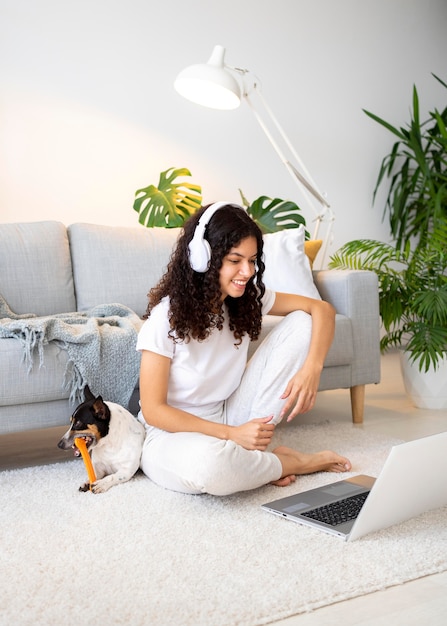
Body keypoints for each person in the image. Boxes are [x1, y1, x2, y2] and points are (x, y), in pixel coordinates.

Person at [136, 202, 351, 495]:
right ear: (205, 258)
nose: (247, 271)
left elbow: (321, 309)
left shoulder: (245, 298)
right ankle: (289, 463)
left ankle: (251, 462)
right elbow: (153, 411)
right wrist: (231, 435)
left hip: (230, 412)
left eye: (252, 260)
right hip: (170, 434)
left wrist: (312, 369)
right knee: (211, 470)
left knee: (303, 322)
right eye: (235, 260)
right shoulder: (166, 317)